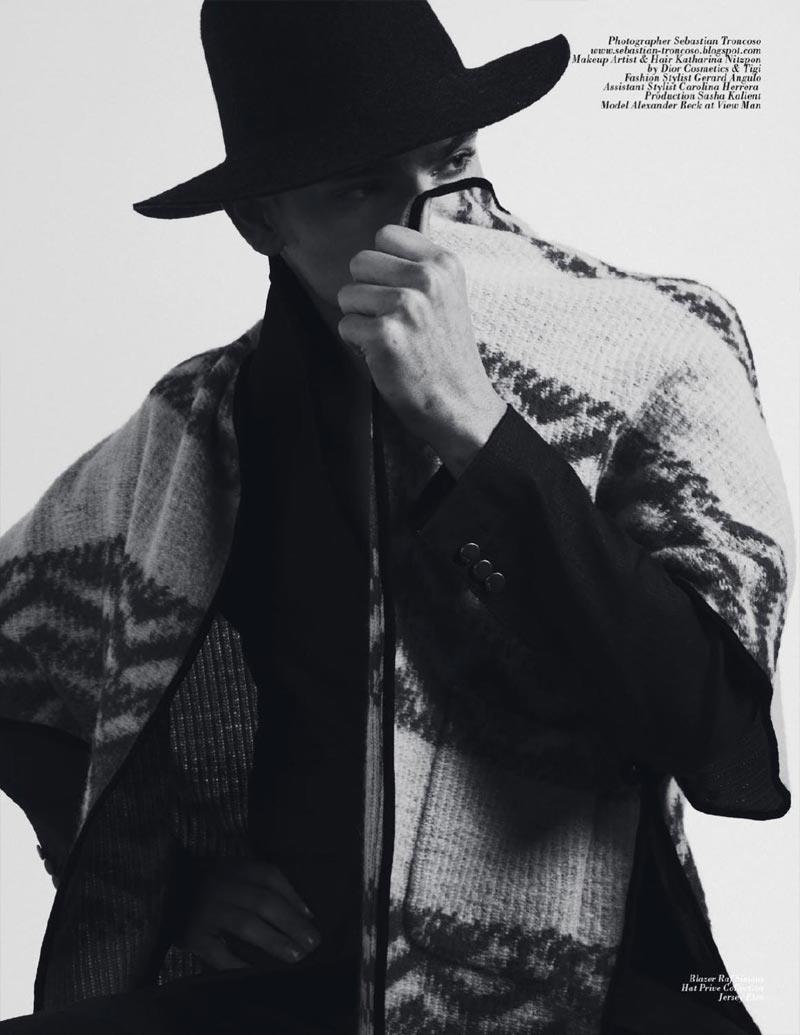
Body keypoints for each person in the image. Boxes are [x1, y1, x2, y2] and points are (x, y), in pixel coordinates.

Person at [0, 3, 793, 1034]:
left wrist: (479, 431)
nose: (433, 224)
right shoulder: (200, 425)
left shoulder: (654, 346)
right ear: (262, 225)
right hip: (304, 984)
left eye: (452, 161)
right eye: (362, 187)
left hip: (586, 984)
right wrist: (177, 885)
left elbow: (723, 743)